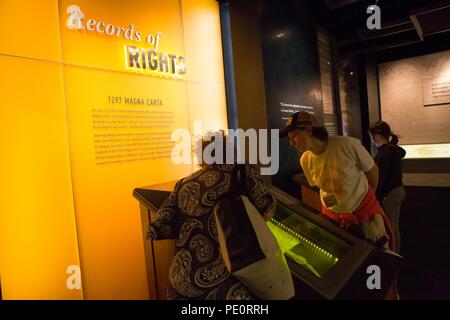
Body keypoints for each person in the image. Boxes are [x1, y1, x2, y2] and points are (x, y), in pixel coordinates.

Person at [147, 132, 276, 300]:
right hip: (228, 283)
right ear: (231, 150)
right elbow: (266, 206)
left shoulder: (184, 183)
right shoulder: (241, 171)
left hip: (181, 282)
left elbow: (159, 227)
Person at [280, 111, 393, 250]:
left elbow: (373, 171)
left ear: (308, 130)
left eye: (294, 136)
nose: (291, 143)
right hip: (333, 219)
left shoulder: (347, 145)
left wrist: (367, 199)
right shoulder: (305, 160)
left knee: (376, 258)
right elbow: (321, 188)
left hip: (363, 216)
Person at [370, 121, 406, 253]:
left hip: (390, 194)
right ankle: (397, 252)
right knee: (395, 226)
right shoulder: (394, 149)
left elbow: (381, 178)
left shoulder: (384, 153)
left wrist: (376, 198)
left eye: (373, 137)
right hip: (399, 190)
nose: (373, 140)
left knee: (390, 227)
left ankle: (393, 256)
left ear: (378, 136)